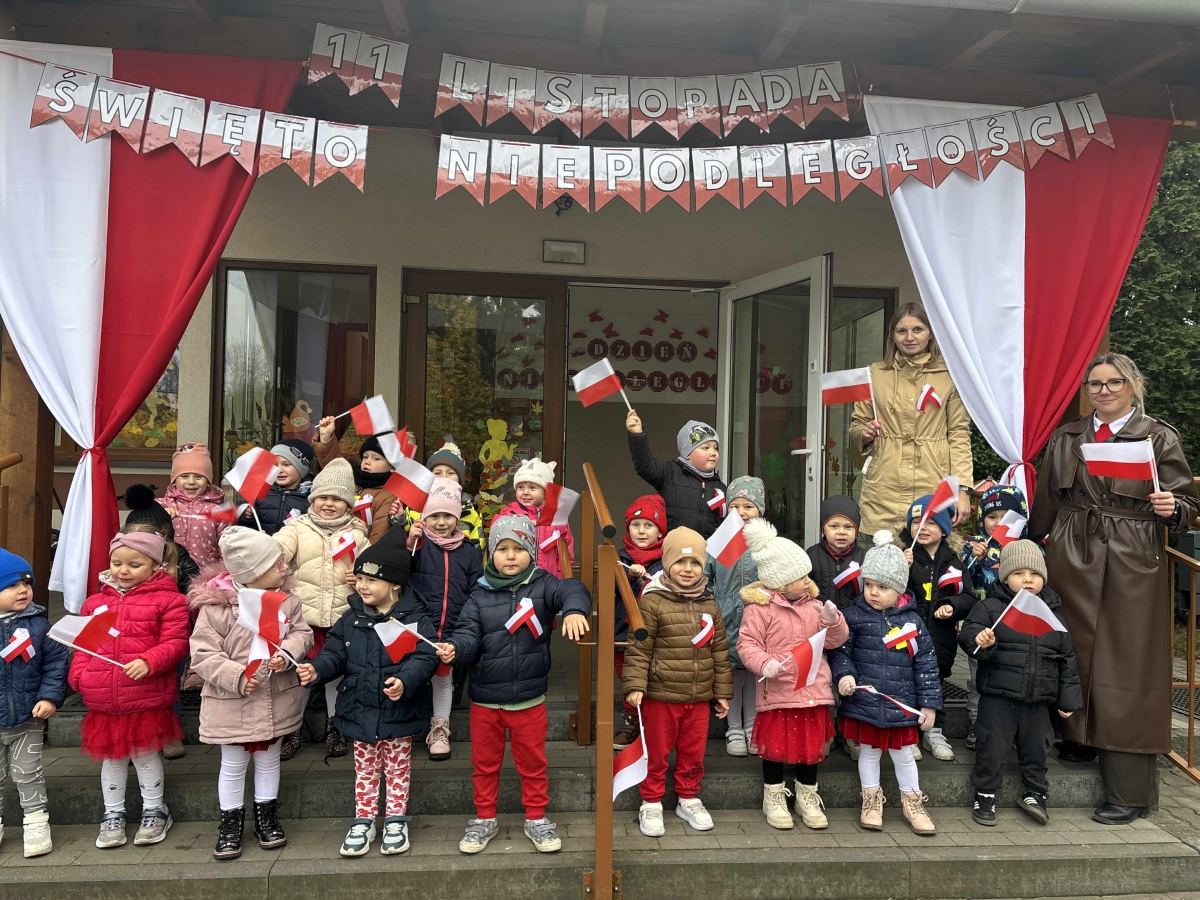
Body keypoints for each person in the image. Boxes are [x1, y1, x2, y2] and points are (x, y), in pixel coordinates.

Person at [1030, 352, 1199, 825]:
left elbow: (1189, 503)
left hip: (1133, 560)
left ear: (1134, 385)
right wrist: (1028, 553)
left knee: (1128, 662)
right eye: (1095, 384)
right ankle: (1077, 739)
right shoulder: (1067, 436)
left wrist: (1174, 508)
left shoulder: (1159, 436)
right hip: (1071, 554)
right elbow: (1046, 503)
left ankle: (1129, 789)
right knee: (1071, 649)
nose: (1103, 391)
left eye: (1114, 382)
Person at [434, 517, 592, 855]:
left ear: (531, 553)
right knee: (484, 765)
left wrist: (575, 610)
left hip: (529, 701)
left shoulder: (543, 584)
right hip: (485, 702)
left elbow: (571, 588)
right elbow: (467, 635)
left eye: (518, 549)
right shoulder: (478, 595)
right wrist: (456, 649)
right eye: (502, 549)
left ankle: (536, 818)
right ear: (491, 553)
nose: (510, 556)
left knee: (533, 764)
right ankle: (484, 818)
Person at [298, 534, 439, 857]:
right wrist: (316, 669)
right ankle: (364, 819)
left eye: (371, 580)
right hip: (359, 707)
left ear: (395, 584)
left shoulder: (413, 619)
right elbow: (334, 653)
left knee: (398, 768)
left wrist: (405, 680)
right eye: (360, 578)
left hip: (398, 709)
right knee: (365, 769)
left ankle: (395, 819)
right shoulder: (350, 618)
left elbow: (425, 656)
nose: (362, 586)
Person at [187, 527, 314, 860]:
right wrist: (236, 676)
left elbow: (302, 633)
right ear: (253, 572)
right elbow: (203, 654)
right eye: (276, 564)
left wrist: (288, 653)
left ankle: (266, 817)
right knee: (232, 764)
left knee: (270, 760)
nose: (285, 567)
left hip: (275, 695)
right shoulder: (215, 609)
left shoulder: (288, 601)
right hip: (231, 701)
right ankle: (230, 823)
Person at [68, 532, 190, 849]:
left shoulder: (170, 600)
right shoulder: (95, 603)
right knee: (112, 759)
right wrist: (79, 676)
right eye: (117, 563)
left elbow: (177, 643)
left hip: (143, 693)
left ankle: (155, 809)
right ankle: (113, 813)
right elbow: (84, 645)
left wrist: (150, 661)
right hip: (104, 696)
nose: (123, 570)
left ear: (155, 566)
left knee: (145, 755)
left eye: (135, 565)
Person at [959, 540, 1082, 827]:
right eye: (1019, 573)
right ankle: (985, 793)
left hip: (1038, 700)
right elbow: (969, 637)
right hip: (998, 697)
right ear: (1005, 577)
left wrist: (1068, 698)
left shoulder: (1052, 615)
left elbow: (1067, 659)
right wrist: (981, 641)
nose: (1028, 579)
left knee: (1037, 748)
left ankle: (1036, 793)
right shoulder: (990, 607)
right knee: (991, 747)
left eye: (1035, 574)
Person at [621, 528, 732, 839]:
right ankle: (651, 801)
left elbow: (720, 651)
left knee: (693, 752)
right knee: (656, 752)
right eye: (680, 562)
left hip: (698, 698)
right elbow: (639, 648)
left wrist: (722, 692)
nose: (688, 569)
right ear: (667, 564)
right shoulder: (652, 602)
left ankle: (688, 797)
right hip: (661, 695)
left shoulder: (710, 604)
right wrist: (635, 685)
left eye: (695, 563)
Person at [737, 519, 848, 831]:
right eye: (801, 576)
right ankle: (773, 795)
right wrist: (764, 663)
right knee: (774, 748)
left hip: (811, 691)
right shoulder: (760, 609)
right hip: (778, 691)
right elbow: (747, 644)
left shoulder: (814, 607)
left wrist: (833, 621)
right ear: (781, 582)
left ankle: (807, 795)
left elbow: (834, 641)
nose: (807, 580)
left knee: (810, 747)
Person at [830, 530, 942, 836]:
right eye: (869, 585)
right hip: (866, 701)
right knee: (868, 751)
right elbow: (840, 651)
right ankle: (871, 800)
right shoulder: (853, 617)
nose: (873, 592)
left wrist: (929, 706)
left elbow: (926, 664)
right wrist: (845, 675)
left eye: (882, 587)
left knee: (903, 754)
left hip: (901, 703)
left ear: (899, 588)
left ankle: (913, 803)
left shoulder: (912, 621)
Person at [849, 303, 973, 538]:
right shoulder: (873, 374)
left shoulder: (949, 376)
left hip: (933, 481)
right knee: (882, 556)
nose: (909, 337)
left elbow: (959, 433)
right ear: (892, 336)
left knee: (931, 554)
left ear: (930, 333)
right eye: (901, 331)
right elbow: (857, 425)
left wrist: (962, 490)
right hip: (885, 485)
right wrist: (864, 434)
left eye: (917, 329)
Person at [273, 458, 369, 760]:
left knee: (337, 674)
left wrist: (360, 577)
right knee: (300, 674)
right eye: (323, 497)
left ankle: (335, 726)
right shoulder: (297, 528)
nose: (329, 504)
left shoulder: (358, 534)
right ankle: (292, 727)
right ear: (312, 499)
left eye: (337, 499)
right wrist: (273, 556)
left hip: (341, 618)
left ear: (348, 504)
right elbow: (277, 551)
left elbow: (371, 574)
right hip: (305, 618)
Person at [406, 477, 483, 760]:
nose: (441, 522)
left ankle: (440, 729)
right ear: (424, 517)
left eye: (448, 516)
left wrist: (468, 622)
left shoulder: (469, 551)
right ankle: (404, 727)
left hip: (452, 625)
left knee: (442, 677)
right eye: (434, 516)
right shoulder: (417, 545)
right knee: (412, 674)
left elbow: (476, 589)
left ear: (457, 518)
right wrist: (409, 542)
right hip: (418, 625)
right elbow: (400, 569)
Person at [0, 549, 67, 858]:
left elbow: (55, 665)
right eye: (12, 585)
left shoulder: (39, 625)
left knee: (28, 772)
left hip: (27, 716)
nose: (23, 590)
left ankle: (36, 821)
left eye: (27, 583)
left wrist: (48, 697)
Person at [902, 494, 975, 762]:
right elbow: (890, 593)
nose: (922, 528)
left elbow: (968, 597)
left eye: (931, 522)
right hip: (909, 636)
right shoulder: (905, 556)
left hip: (941, 638)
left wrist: (952, 606)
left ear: (944, 529)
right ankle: (909, 733)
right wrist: (902, 568)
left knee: (935, 685)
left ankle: (934, 731)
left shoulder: (954, 561)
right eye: (916, 522)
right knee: (907, 684)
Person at [960, 483, 1029, 749]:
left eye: (1007, 518)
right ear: (981, 519)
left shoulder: (1027, 548)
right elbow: (961, 580)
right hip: (983, 623)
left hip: (1017, 626)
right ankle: (978, 725)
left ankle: (1013, 730)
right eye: (992, 517)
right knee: (979, 677)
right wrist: (973, 560)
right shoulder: (974, 546)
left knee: (1014, 676)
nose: (998, 523)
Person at [705, 476, 764, 757]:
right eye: (735, 506)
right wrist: (710, 606)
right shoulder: (718, 542)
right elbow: (705, 577)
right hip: (725, 616)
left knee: (754, 673)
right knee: (731, 674)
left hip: (759, 617)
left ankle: (753, 726)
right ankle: (733, 728)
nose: (741, 512)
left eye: (748, 507)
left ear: (760, 510)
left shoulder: (767, 543)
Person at [614, 495, 665, 751]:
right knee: (629, 679)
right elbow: (608, 589)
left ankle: (652, 726)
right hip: (623, 634)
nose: (641, 531)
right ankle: (631, 722)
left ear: (660, 531)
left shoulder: (668, 558)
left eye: (648, 525)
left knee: (654, 680)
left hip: (656, 634)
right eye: (635, 525)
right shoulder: (618, 557)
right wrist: (628, 576)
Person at [625, 410, 727, 538]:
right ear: (688, 453)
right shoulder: (670, 473)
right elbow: (645, 466)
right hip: (673, 547)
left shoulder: (721, 488)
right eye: (706, 448)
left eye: (715, 448)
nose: (713, 453)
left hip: (706, 549)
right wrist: (637, 436)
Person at [314, 418, 397, 544]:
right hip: (329, 543)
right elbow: (335, 466)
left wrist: (363, 555)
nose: (367, 462)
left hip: (359, 550)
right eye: (365, 457)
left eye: (376, 459)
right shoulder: (352, 479)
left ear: (392, 466)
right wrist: (326, 439)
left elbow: (379, 536)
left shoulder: (388, 496)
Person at [493, 457, 575, 579]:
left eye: (532, 487)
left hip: (548, 579)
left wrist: (560, 578)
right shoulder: (507, 514)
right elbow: (496, 541)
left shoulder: (556, 518)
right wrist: (518, 523)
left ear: (545, 492)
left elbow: (566, 552)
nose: (525, 492)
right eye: (521, 487)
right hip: (516, 580)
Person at [403, 441, 485, 550]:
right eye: (437, 473)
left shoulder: (471, 512)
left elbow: (478, 550)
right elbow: (402, 543)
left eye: (451, 473)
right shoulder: (415, 508)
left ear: (460, 479)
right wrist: (398, 519)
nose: (444, 477)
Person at [157, 442, 228, 568]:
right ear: (174, 481)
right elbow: (137, 521)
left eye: (198, 477)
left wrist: (222, 572)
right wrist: (159, 515)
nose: (191, 482)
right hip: (168, 571)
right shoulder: (161, 506)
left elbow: (227, 548)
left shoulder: (218, 512)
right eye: (184, 476)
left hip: (205, 573)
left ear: (208, 482)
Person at [123, 484, 199, 593]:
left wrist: (178, 574)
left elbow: (196, 583)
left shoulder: (179, 556)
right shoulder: (124, 557)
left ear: (166, 536)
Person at [239, 439, 315, 536]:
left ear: (302, 468)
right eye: (274, 465)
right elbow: (244, 529)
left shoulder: (312, 497)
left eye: (286, 464)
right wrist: (246, 518)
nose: (279, 470)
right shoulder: (260, 492)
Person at [807, 496, 867, 611]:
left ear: (856, 530)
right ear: (823, 529)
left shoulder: (865, 558)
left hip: (854, 619)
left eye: (848, 527)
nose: (841, 532)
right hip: (819, 618)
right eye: (834, 526)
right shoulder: (810, 556)